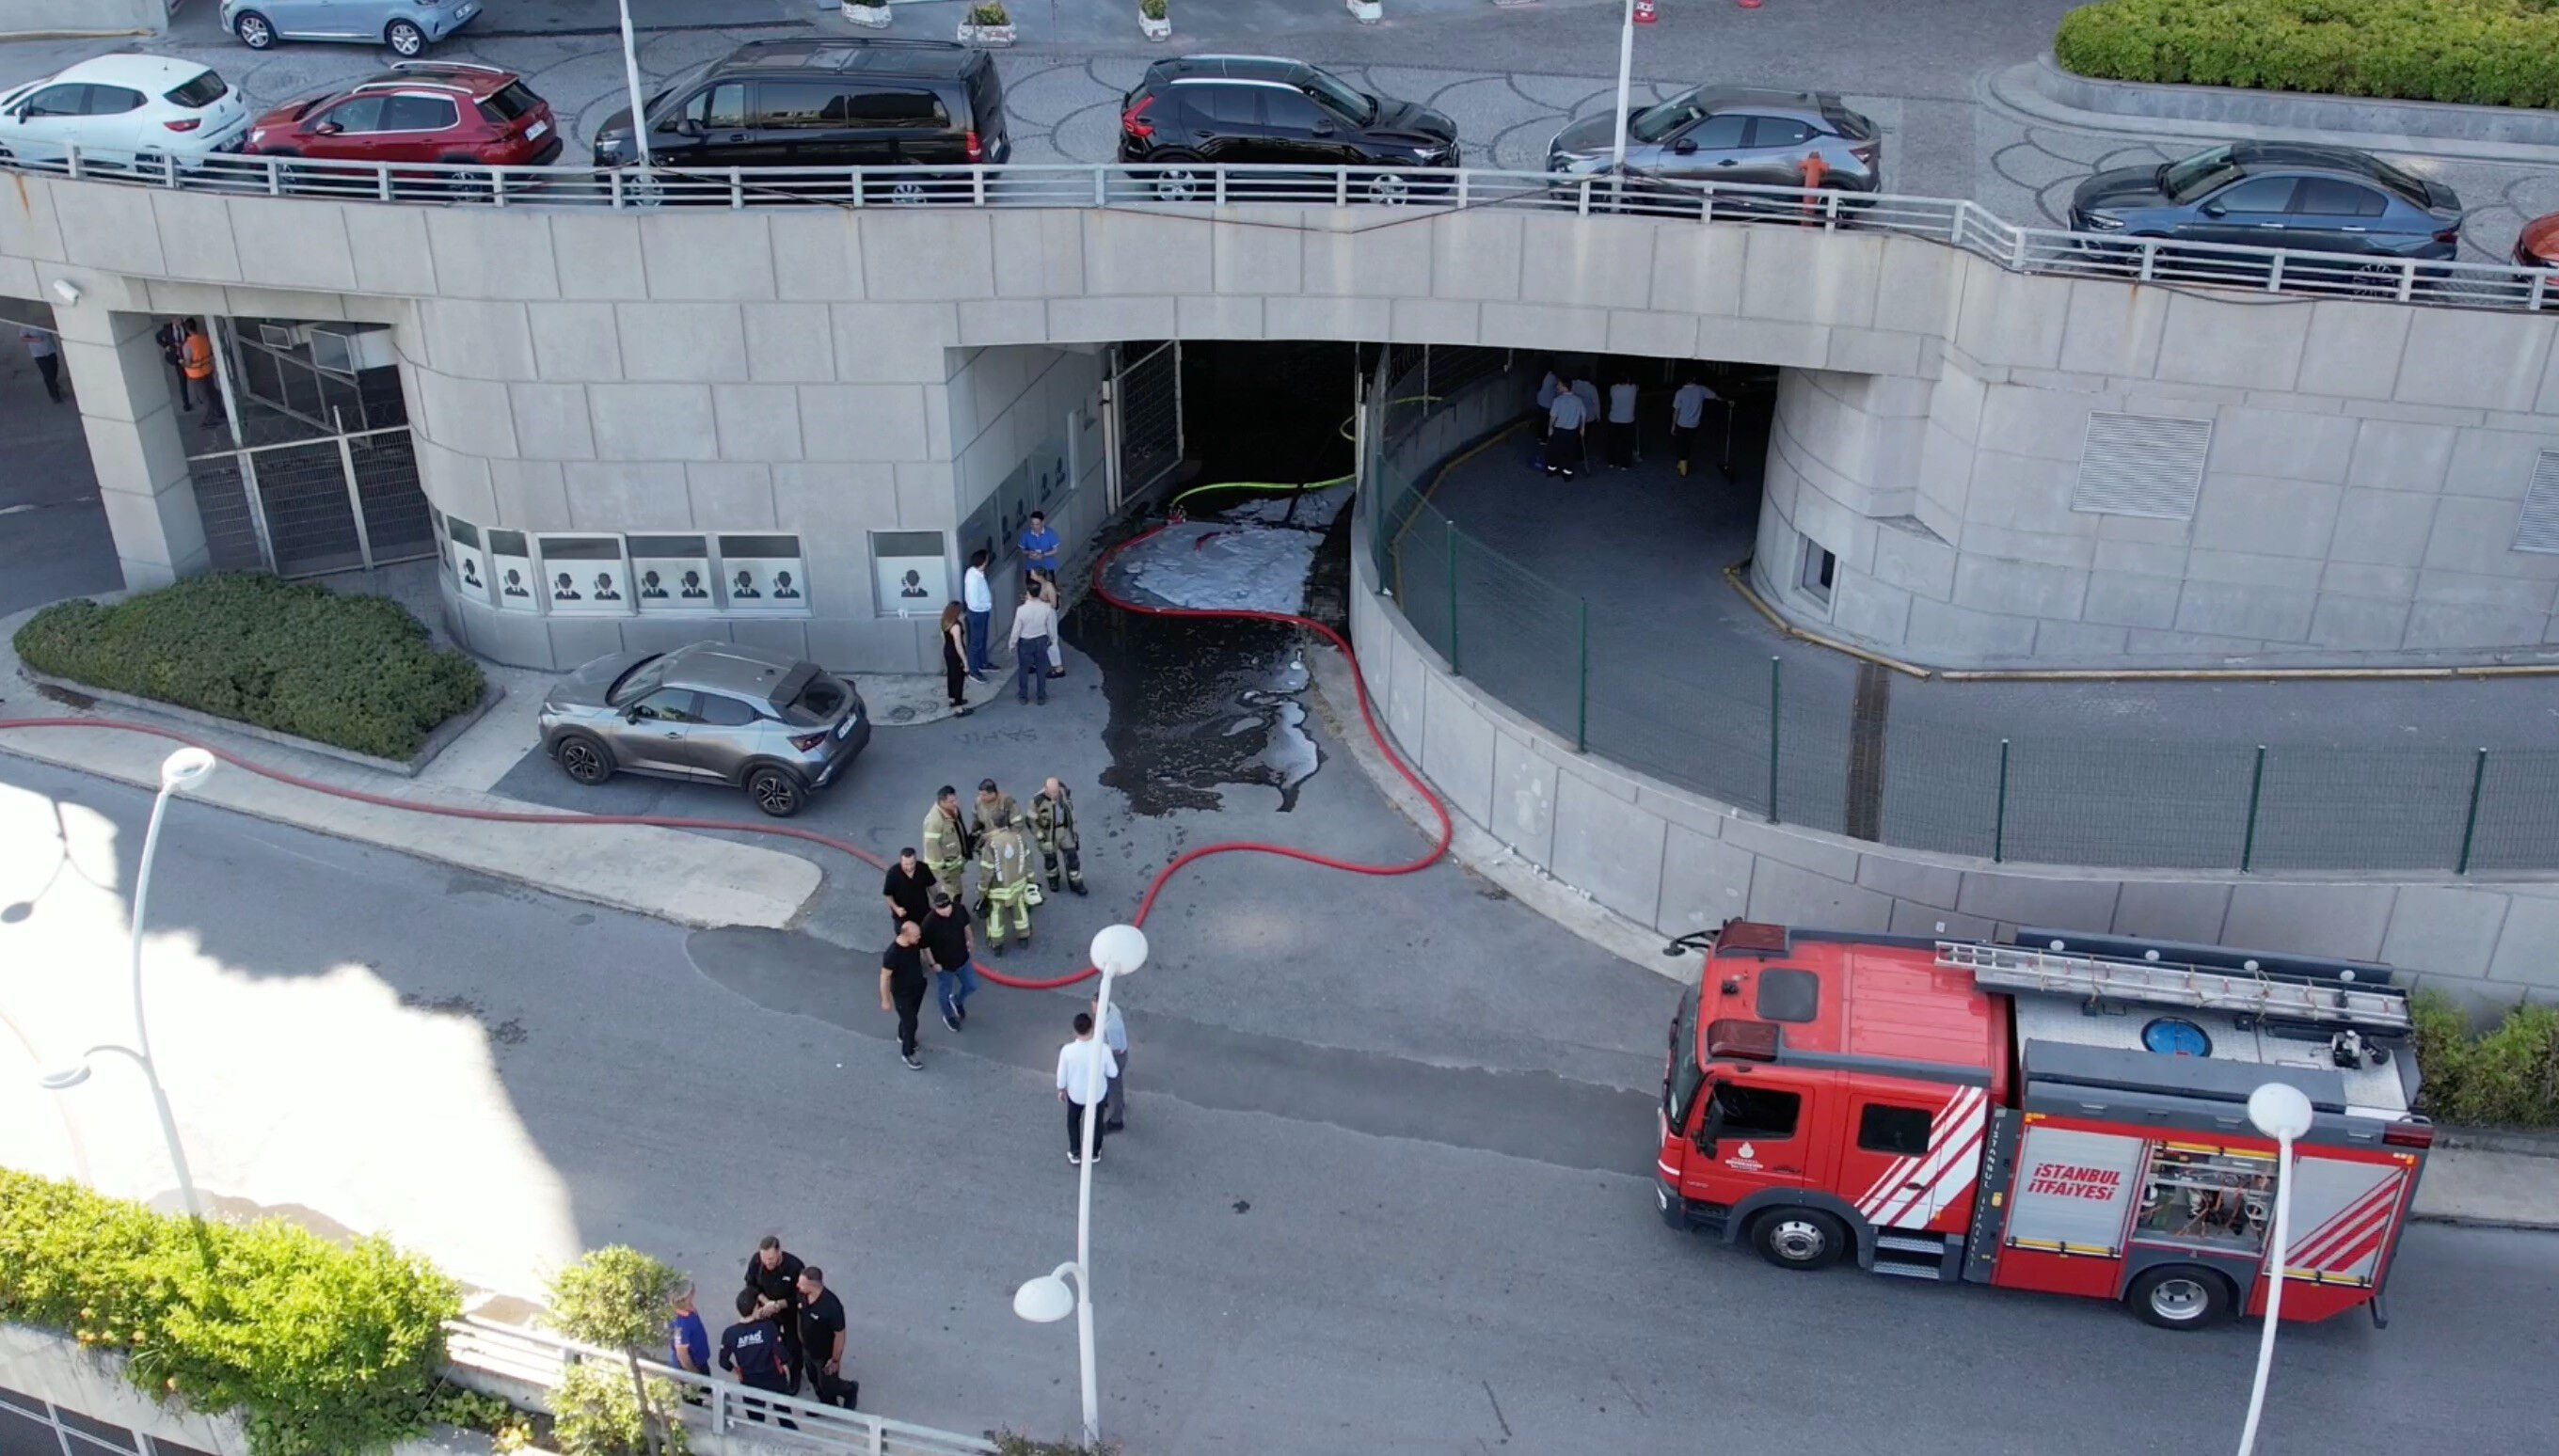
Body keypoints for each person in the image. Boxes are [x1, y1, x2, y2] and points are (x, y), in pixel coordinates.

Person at [718, 1288, 796, 1426]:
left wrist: (736, 1371)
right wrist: (786, 1372)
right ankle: (789, 1431)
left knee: (755, 1417)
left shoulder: (730, 1333)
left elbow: (723, 1362)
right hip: (774, 1379)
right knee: (783, 1413)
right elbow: (783, 1356)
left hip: (749, 1381)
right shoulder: (768, 1327)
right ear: (756, 1308)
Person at [1057, 1011, 1119, 1166]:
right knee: (1097, 1123)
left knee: (1073, 1120)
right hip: (1096, 1094)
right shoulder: (1103, 1049)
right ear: (1092, 1029)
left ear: (1075, 1030)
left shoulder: (1067, 1051)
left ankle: (1075, 1151)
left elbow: (1061, 1074)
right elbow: (1113, 1072)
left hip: (1075, 1094)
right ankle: (1094, 1151)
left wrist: (1061, 1089)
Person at [975, 807, 1037, 955]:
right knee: (1019, 909)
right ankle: (1023, 936)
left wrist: (982, 891)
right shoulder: (1019, 838)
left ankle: (997, 944)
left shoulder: (990, 844)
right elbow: (1028, 861)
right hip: (1018, 884)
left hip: (998, 888)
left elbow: (987, 871)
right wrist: (1031, 881)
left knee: (996, 914)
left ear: (992, 823)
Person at [795, 1267, 856, 1410]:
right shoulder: (802, 1295)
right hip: (808, 1349)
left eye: (801, 1283)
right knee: (813, 1379)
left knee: (829, 1384)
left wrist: (835, 1360)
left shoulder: (831, 1306)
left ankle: (850, 1390)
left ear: (813, 1285)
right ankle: (827, 1403)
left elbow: (840, 1335)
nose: (798, 1286)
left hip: (824, 1355)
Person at [920, 889, 978, 1032]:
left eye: (947, 907)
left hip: (963, 959)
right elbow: (925, 947)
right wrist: (933, 964)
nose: (946, 911)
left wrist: (970, 941)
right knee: (944, 993)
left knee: (971, 985)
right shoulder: (929, 923)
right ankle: (949, 1016)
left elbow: (966, 926)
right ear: (935, 908)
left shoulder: (959, 910)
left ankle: (957, 1000)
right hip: (944, 966)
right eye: (942, 909)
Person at [880, 919, 930, 1069]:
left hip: (917, 987)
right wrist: (885, 1000)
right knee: (911, 1022)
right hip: (902, 993)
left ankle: (903, 1035)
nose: (919, 938)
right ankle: (907, 1053)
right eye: (916, 936)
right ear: (907, 935)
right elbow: (884, 977)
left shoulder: (912, 944)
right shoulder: (892, 954)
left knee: (911, 1016)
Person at [921, 785, 974, 919]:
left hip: (954, 862)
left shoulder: (951, 810)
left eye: (955, 799)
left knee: (954, 890)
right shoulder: (934, 821)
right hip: (946, 867)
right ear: (942, 802)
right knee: (954, 892)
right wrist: (943, 870)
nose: (956, 803)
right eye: (952, 801)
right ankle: (952, 916)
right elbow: (932, 848)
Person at [1031, 777, 1086, 896]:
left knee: (1072, 857)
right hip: (1048, 834)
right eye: (1051, 792)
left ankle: (1076, 883)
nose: (1054, 795)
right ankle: (1053, 881)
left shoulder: (1063, 792)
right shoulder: (1037, 801)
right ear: (1045, 789)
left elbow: (1070, 810)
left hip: (1064, 830)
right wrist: (1039, 835)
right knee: (1050, 860)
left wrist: (1074, 832)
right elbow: (1030, 821)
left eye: (1056, 791)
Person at [1009, 580, 1058, 706]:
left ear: (1028, 593)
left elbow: (1016, 629)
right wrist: (1052, 639)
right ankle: (1041, 696)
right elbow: (1050, 626)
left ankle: (1023, 695)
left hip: (1025, 641)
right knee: (1041, 669)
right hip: (1041, 639)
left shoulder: (1021, 610)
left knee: (1024, 669)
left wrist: (1012, 643)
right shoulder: (1046, 608)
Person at [1093, 990, 1129, 1132]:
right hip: (1115, 1056)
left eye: (1095, 1007)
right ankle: (1116, 1102)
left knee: (1115, 1087)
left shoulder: (1111, 1026)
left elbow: (1116, 1049)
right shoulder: (1112, 1008)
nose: (1093, 1010)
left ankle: (1116, 1120)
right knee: (1114, 1085)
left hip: (1115, 1059)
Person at [1670, 376, 1718, 477]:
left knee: (1681, 445)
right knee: (1688, 444)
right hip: (1694, 424)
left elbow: (1676, 411)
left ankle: (1683, 470)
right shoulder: (1701, 389)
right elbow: (1714, 396)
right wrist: (1726, 400)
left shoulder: (1680, 392)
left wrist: (1673, 426)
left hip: (1682, 424)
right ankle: (1682, 463)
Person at [881, 847, 936, 930]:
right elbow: (888, 895)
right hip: (903, 918)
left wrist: (937, 901)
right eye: (906, 864)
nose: (909, 867)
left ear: (916, 859)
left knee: (927, 936)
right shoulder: (893, 874)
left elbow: (931, 886)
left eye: (912, 863)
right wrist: (896, 909)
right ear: (901, 861)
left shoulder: (923, 868)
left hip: (923, 913)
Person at [1543, 381, 1589, 479]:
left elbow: (1553, 416)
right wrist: (1582, 428)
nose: (1557, 387)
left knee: (1555, 451)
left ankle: (1552, 470)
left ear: (1565, 387)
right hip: (1572, 432)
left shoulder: (1558, 400)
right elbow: (1583, 414)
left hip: (1559, 430)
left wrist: (1550, 428)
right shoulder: (1578, 400)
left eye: (1559, 385)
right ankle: (1567, 474)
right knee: (1570, 452)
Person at [180, 321, 219, 432]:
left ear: (187, 330)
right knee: (212, 392)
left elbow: (188, 362)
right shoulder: (204, 338)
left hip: (196, 374)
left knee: (205, 397)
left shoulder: (188, 345)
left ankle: (209, 420)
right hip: (207, 369)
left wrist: (181, 362)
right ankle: (219, 412)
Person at [962, 548, 994, 678]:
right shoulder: (974, 579)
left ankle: (983, 663)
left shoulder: (975, 573)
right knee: (976, 643)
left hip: (982, 612)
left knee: (982, 639)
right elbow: (974, 602)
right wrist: (987, 605)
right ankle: (974, 670)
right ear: (983, 561)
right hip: (978, 613)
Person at [668, 1284, 710, 1376]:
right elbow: (682, 1355)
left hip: (700, 1360)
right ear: (685, 1300)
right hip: (693, 1366)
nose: (693, 1292)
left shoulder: (686, 1309)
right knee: (705, 1389)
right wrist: (695, 1374)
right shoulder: (681, 1325)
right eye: (691, 1293)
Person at [938, 602, 971, 716]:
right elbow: (958, 645)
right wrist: (965, 662)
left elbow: (943, 638)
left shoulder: (945, 621)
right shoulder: (956, 625)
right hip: (955, 654)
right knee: (959, 679)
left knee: (951, 676)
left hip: (947, 651)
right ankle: (959, 708)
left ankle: (952, 699)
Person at [20, 325, 61, 404]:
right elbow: (22, 338)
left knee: (54, 369)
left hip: (51, 350)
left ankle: (53, 383)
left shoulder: (44, 323)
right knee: (48, 374)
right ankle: (54, 395)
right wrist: (34, 340)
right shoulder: (26, 326)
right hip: (39, 354)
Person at [971, 777, 1020, 844]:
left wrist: (1010, 838)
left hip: (1005, 839)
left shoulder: (1006, 801)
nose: (981, 797)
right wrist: (976, 834)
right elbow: (977, 822)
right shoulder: (978, 802)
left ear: (993, 793)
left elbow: (1017, 824)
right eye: (980, 794)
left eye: (984, 795)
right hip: (988, 840)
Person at [156, 319, 191, 410]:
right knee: (182, 380)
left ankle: (200, 397)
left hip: (187, 355)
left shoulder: (185, 326)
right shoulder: (168, 329)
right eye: (177, 320)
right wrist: (166, 346)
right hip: (177, 357)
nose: (179, 322)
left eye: (180, 320)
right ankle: (186, 403)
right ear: (172, 321)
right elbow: (158, 337)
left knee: (194, 377)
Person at [1606, 378, 1639, 468]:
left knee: (1613, 442)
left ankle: (1611, 462)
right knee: (1626, 443)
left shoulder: (1613, 388)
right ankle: (1625, 464)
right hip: (1628, 419)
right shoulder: (1633, 388)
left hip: (1614, 418)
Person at [1019, 510, 1060, 576]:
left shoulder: (1050, 533)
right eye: (1032, 524)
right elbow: (1022, 550)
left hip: (1048, 567)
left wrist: (1043, 555)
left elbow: (1055, 550)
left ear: (1043, 522)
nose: (1034, 527)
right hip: (1031, 568)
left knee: (1049, 585)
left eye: (1037, 524)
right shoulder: (1025, 535)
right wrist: (1029, 552)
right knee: (1032, 586)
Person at [1533, 362, 1560, 441]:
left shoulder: (1541, 375)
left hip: (1540, 401)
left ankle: (1539, 436)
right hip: (1548, 403)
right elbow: (1557, 388)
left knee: (1541, 420)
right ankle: (1544, 438)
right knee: (1547, 422)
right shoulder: (1552, 377)